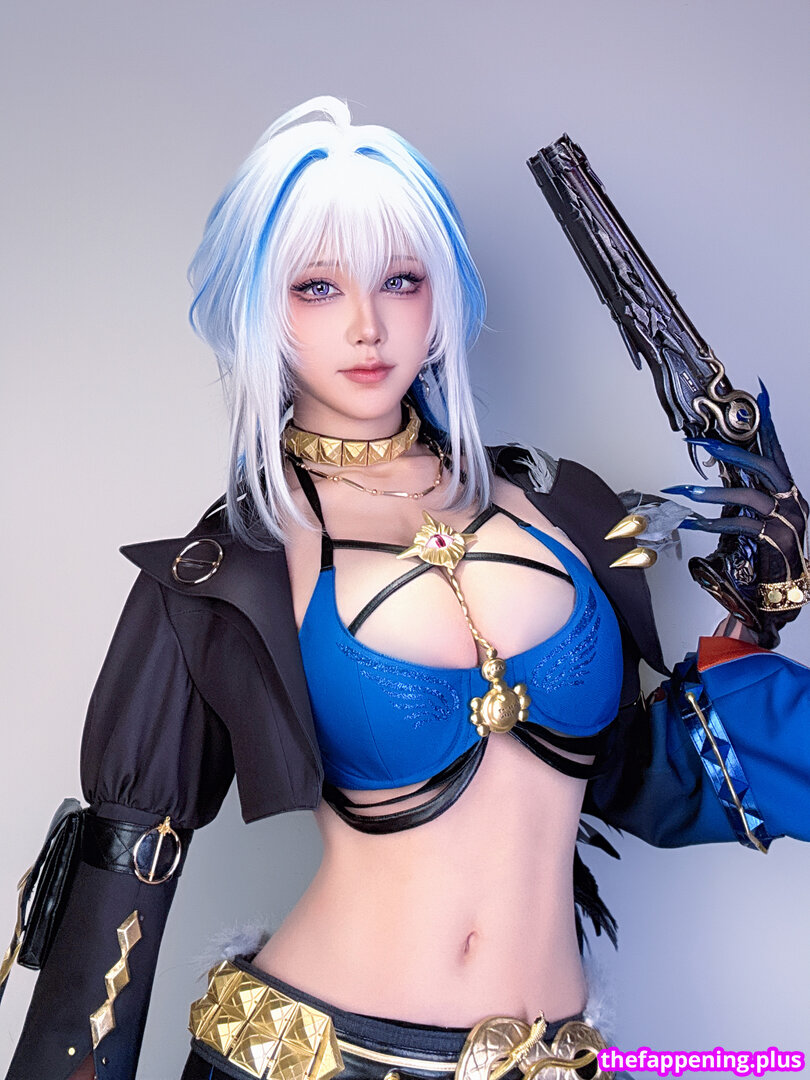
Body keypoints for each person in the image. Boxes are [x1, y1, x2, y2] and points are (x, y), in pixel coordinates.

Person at [2, 96, 809, 1080]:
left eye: (399, 279)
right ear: (262, 308)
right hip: (312, 1058)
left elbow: (633, 777)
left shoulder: (565, 507)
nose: (367, 324)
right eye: (317, 287)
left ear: (440, 294)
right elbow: (112, 918)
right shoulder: (227, 569)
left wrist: (752, 612)